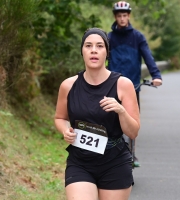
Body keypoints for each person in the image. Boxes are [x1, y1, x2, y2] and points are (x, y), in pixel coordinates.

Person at [54, 27, 140, 200]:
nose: (94, 50)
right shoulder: (68, 86)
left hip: (114, 162)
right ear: (82, 51)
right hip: (80, 162)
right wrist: (65, 130)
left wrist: (121, 111)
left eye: (100, 46)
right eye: (88, 45)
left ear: (107, 53)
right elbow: (60, 118)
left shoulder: (123, 85)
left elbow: (133, 132)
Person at [108, 1, 163, 168]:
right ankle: (111, 153)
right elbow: (100, 58)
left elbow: (148, 56)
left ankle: (131, 154)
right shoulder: (109, 38)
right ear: (115, 17)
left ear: (129, 16)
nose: (122, 18)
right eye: (119, 16)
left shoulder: (137, 37)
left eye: (125, 15)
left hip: (132, 86)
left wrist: (156, 75)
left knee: (131, 120)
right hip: (113, 85)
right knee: (111, 120)